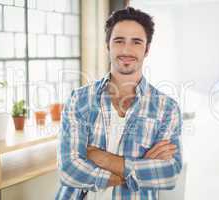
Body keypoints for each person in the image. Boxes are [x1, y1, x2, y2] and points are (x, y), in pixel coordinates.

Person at [55, 7, 182, 200]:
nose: (126, 50)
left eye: (136, 42)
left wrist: (102, 158)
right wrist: (141, 167)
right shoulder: (79, 99)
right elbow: (68, 170)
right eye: (119, 40)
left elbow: (169, 173)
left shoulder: (167, 108)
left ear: (147, 49)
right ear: (108, 45)